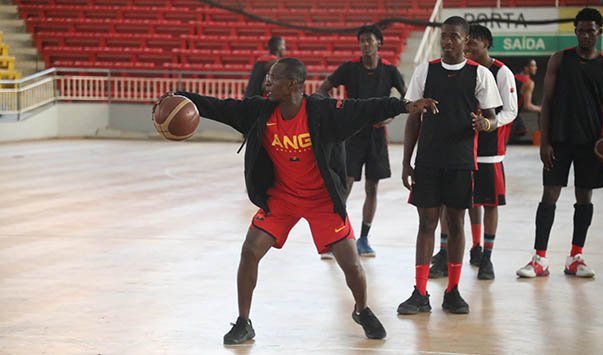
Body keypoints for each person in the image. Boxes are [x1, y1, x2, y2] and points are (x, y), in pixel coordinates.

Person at [160, 58, 438, 344]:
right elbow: (220, 106)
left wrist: (405, 105)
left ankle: (362, 310)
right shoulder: (259, 111)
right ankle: (244, 322)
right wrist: (183, 97)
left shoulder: (321, 111)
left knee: (352, 265)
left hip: (321, 200)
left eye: (273, 78)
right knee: (249, 252)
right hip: (282, 198)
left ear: (293, 84)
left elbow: (365, 107)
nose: (266, 82)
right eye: (268, 77)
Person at [398, 16, 502, 315]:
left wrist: (485, 123)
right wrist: (407, 162)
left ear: (465, 41)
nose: (447, 41)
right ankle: (419, 292)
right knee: (426, 224)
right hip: (428, 161)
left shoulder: (479, 74)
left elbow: (494, 117)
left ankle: (453, 291)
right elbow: (413, 117)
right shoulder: (425, 71)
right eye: (444, 36)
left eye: (454, 36)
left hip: (460, 162)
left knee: (456, 224)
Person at [516, 8, 603, 278]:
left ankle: (576, 257)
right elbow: (547, 101)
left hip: (590, 143)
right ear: (575, 31)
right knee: (549, 195)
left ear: (599, 32)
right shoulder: (560, 60)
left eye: (591, 30)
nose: (585, 35)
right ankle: (539, 259)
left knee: (584, 197)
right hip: (559, 141)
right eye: (581, 30)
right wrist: (544, 141)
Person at [429, 25, 518, 280]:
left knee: (488, 203)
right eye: (467, 43)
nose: (468, 48)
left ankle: (486, 256)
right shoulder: (460, 70)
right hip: (459, 148)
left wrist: (489, 124)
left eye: (473, 44)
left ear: (486, 44)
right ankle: (447, 253)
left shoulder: (501, 73)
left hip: (489, 150)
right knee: (453, 203)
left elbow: (510, 111)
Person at [317, 25, 407, 258]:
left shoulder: (390, 70)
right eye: (362, 41)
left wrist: (391, 115)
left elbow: (407, 97)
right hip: (352, 135)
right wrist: (335, 113)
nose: (365, 44)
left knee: (372, 187)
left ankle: (364, 239)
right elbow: (323, 89)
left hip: (377, 136)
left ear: (380, 43)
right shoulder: (349, 68)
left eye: (370, 40)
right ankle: (335, 238)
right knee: (344, 185)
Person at [509, 58, 541, 143]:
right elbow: (528, 106)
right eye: (533, 66)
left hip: (505, 112)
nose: (536, 68)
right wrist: (542, 109)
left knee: (520, 130)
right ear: (526, 68)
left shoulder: (512, 77)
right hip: (512, 115)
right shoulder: (529, 83)